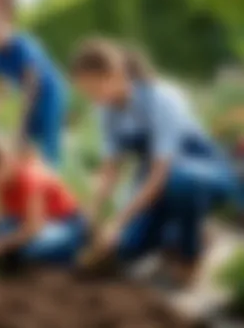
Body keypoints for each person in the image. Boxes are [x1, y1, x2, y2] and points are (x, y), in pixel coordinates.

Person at [70, 38, 240, 286]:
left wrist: (118, 221)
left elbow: (160, 174)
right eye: (87, 94)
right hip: (159, 180)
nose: (93, 99)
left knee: (180, 183)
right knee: (126, 249)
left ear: (115, 75)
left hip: (204, 173)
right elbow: (110, 170)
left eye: (94, 90)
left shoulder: (161, 98)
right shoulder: (107, 111)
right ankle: (192, 236)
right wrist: (92, 215)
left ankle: (190, 255)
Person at [0, 134, 86, 270]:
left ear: (5, 161)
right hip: (35, 222)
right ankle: (18, 256)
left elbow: (33, 228)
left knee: (31, 250)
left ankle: (71, 254)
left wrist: (1, 245)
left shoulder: (29, 178)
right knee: (0, 231)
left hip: (65, 224)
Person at [0, 11, 68, 167]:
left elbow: (31, 85)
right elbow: (2, 86)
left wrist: (21, 122)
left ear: (3, 28)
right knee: (24, 144)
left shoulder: (22, 46)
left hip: (49, 93)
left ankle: (52, 180)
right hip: (30, 94)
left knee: (48, 144)